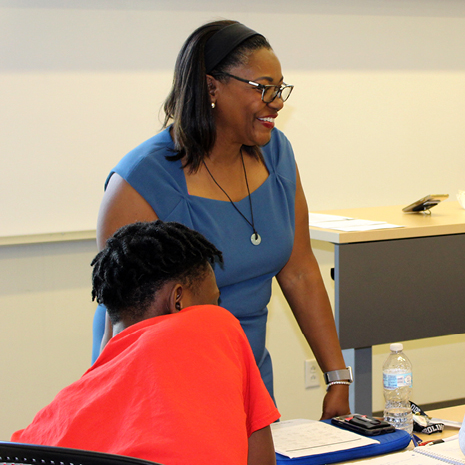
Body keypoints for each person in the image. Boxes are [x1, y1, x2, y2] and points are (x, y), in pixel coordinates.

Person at [93, 19, 351, 419]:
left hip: (247, 375)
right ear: (212, 87)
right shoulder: (142, 182)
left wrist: (337, 378)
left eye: (279, 89)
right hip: (164, 390)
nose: (277, 102)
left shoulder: (276, 153)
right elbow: (126, 325)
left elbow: (299, 270)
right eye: (264, 88)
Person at [12, 221, 280, 465]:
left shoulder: (58, 413)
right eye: (213, 300)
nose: (217, 309)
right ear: (178, 300)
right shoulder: (216, 327)